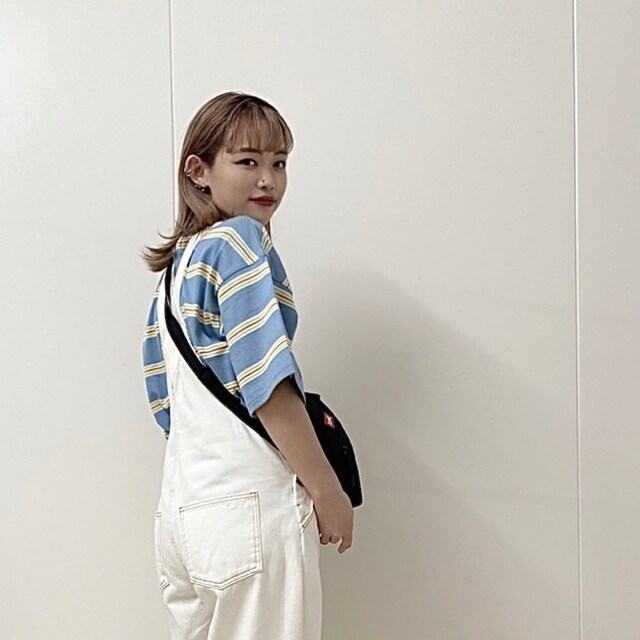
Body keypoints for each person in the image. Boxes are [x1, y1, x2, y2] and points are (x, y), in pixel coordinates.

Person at [140, 91, 353, 639]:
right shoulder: (238, 240)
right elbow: (268, 383)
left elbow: (167, 409)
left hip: (184, 513)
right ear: (199, 171)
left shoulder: (173, 275)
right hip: (250, 509)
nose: (268, 180)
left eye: (279, 163)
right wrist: (326, 489)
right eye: (247, 161)